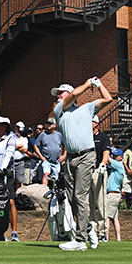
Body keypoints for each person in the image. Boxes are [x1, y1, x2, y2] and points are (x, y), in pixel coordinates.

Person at [52, 77, 114, 251]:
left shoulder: (86, 109)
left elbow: (108, 99)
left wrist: (98, 84)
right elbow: (72, 95)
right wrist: (88, 84)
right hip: (70, 158)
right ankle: (88, 229)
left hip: (87, 156)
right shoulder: (59, 110)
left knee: (80, 196)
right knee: (71, 199)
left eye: (60, 92)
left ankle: (80, 240)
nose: (57, 95)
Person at [91, 115, 111, 242]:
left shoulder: (103, 138)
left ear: (96, 123)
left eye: (91, 121)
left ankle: (102, 232)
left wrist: (103, 164)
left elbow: (106, 153)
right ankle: (91, 231)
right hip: (86, 171)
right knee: (88, 203)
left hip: (98, 171)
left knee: (101, 202)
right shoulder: (85, 137)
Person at [34, 116, 64, 185]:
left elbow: (65, 146)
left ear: (54, 125)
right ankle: (44, 192)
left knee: (54, 179)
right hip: (46, 161)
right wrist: (41, 157)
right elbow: (36, 145)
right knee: (46, 174)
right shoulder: (43, 135)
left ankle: (53, 193)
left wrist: (64, 156)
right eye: (47, 123)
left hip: (56, 161)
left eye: (50, 124)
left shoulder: (59, 135)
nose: (48, 125)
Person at [106, 148, 126, 242]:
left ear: (121, 157)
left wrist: (105, 151)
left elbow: (108, 159)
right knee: (115, 218)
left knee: (107, 217)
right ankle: (118, 238)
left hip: (112, 194)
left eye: (115, 156)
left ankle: (106, 238)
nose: (113, 157)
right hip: (116, 194)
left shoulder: (118, 165)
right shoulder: (117, 166)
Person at [8, 121, 30, 191]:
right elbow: (8, 146)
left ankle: (18, 197)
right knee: (10, 181)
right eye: (16, 127)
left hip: (20, 161)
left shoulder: (24, 138)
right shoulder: (11, 136)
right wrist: (19, 146)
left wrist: (14, 146)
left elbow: (25, 149)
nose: (17, 129)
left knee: (19, 181)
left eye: (19, 128)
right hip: (11, 162)